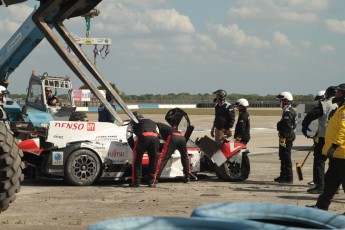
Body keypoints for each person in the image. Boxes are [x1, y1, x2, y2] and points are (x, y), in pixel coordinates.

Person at [311, 83, 345, 211]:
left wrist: (335, 145)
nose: (336, 95)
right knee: (330, 182)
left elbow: (343, 130)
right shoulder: (340, 109)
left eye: (339, 93)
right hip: (337, 154)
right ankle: (321, 206)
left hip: (342, 153)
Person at [301, 87, 337, 194]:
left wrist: (304, 126)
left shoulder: (325, 104)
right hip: (336, 138)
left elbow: (311, 114)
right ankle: (334, 188)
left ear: (328, 94)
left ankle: (320, 186)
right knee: (334, 164)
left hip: (324, 137)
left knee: (319, 161)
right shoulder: (340, 105)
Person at [126, 111, 160, 188]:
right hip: (155, 138)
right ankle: (151, 182)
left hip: (143, 137)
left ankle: (136, 182)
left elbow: (128, 135)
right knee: (153, 160)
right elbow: (158, 134)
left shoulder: (132, 123)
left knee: (137, 161)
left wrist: (133, 147)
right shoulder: (152, 121)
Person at [274, 92, 297, 184]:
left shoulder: (288, 112)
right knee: (282, 156)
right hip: (285, 136)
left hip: (286, 137)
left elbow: (287, 126)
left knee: (286, 156)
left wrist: (280, 129)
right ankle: (283, 175)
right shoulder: (287, 110)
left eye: (281, 100)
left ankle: (288, 177)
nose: (280, 102)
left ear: (285, 101)